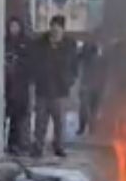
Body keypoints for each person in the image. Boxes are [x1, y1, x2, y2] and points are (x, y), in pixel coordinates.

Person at [30, 15, 78, 158]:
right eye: (53, 27)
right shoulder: (40, 44)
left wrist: (70, 80)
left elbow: (74, 65)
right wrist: (35, 78)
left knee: (60, 122)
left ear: (62, 30)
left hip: (60, 89)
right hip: (43, 88)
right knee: (40, 121)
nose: (55, 31)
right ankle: (38, 146)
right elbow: (33, 62)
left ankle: (59, 146)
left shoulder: (69, 45)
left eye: (58, 28)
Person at [4, 17, 32, 154]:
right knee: (3, 114)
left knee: (18, 116)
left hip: (20, 85)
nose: (13, 29)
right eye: (11, 26)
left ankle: (15, 143)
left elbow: (31, 61)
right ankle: (0, 141)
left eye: (16, 26)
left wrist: (18, 61)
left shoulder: (26, 43)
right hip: (5, 84)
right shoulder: (4, 41)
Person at [77, 39, 107, 136]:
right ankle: (89, 128)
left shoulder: (89, 59)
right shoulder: (98, 59)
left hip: (92, 86)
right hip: (91, 86)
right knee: (91, 108)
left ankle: (86, 128)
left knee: (88, 108)